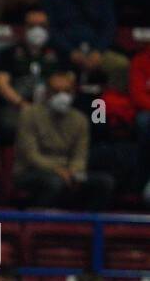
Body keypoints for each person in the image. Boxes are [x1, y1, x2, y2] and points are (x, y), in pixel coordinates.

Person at [13, 69, 116, 210]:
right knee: (55, 182)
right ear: (47, 93)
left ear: (73, 93)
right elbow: (32, 156)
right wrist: (58, 170)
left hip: (69, 172)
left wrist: (73, 171)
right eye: (56, 91)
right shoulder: (29, 114)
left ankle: (87, 228)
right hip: (31, 172)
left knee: (105, 182)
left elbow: (80, 156)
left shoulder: (80, 120)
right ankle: (37, 223)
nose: (62, 96)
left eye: (67, 91)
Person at [42, 0, 127, 89]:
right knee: (47, 63)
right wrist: (70, 52)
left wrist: (98, 51)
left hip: (97, 51)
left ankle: (111, 106)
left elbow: (108, 26)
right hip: (63, 52)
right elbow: (51, 29)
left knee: (121, 65)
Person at [0, 11, 63, 145]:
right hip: (17, 106)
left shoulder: (58, 54)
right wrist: (22, 104)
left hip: (49, 105)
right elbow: (2, 84)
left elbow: (65, 83)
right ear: (24, 28)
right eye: (32, 26)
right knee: (8, 124)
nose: (37, 30)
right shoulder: (9, 53)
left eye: (42, 26)